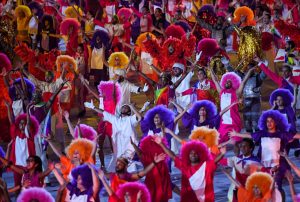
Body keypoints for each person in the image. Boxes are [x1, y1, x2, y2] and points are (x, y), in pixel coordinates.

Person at [229, 110, 300, 199]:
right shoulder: (262, 133)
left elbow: (295, 136)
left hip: (277, 166)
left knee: (277, 187)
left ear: (276, 122)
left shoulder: (281, 134)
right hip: (262, 166)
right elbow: (250, 135)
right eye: (267, 121)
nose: (269, 123)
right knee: (262, 189)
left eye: (271, 121)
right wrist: (236, 134)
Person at [154, 138, 225, 202]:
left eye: (195, 153)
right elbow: (173, 156)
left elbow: (215, 160)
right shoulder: (184, 166)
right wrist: (161, 143)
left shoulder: (206, 166)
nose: (193, 155)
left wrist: (222, 154)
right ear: (188, 155)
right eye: (191, 153)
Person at [85, 101, 142, 171]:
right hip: (119, 149)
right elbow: (103, 112)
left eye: (126, 108)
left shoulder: (130, 119)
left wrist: (132, 107)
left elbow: (139, 117)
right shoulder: (115, 119)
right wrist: (93, 107)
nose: (124, 108)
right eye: (123, 107)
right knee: (117, 169)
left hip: (130, 148)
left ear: (129, 111)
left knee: (131, 169)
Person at [210, 68, 255, 143]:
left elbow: (243, 82)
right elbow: (215, 80)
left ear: (232, 84)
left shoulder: (236, 93)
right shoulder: (221, 92)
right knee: (218, 141)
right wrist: (210, 69)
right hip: (223, 122)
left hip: (234, 122)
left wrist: (249, 71)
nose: (227, 83)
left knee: (236, 142)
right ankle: (220, 154)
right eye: (226, 82)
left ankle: (239, 154)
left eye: (229, 82)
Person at [130, 136, 172, 202]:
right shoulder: (159, 153)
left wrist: (133, 145)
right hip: (157, 179)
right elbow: (140, 154)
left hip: (157, 179)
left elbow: (140, 154)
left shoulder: (148, 157)